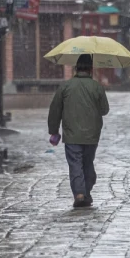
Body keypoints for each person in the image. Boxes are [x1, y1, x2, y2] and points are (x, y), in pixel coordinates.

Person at [47, 54, 110, 208]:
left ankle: (80, 194)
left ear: (76, 68)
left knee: (75, 164)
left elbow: (55, 110)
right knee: (87, 163)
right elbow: (104, 110)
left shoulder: (65, 87)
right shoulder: (97, 87)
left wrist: (54, 130)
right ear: (90, 69)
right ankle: (85, 193)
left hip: (72, 135)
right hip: (91, 135)